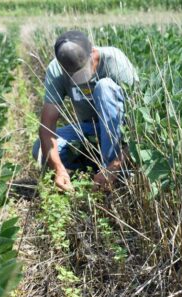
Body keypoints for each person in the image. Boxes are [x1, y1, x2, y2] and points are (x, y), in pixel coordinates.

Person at [32, 30, 138, 191]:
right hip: (91, 130)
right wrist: (59, 170)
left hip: (122, 133)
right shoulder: (56, 70)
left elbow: (141, 132)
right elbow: (46, 129)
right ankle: (97, 168)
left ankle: (115, 177)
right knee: (40, 149)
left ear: (92, 52)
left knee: (104, 87)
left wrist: (114, 167)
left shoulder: (115, 61)